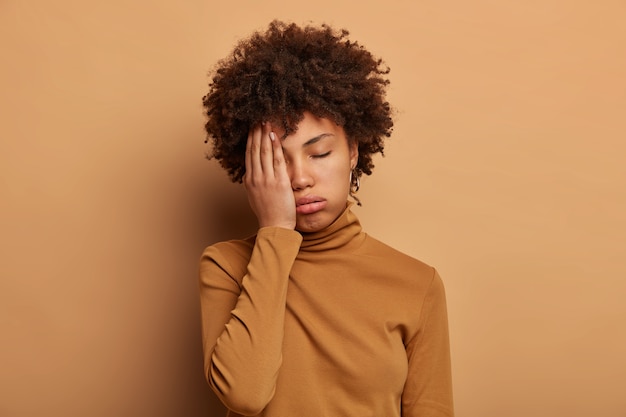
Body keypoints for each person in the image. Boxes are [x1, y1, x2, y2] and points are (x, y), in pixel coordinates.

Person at [198, 20, 454, 417]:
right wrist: (276, 231)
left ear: (353, 151)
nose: (299, 178)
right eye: (277, 163)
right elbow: (245, 395)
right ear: (251, 170)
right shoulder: (226, 267)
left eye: (319, 154)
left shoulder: (417, 285)